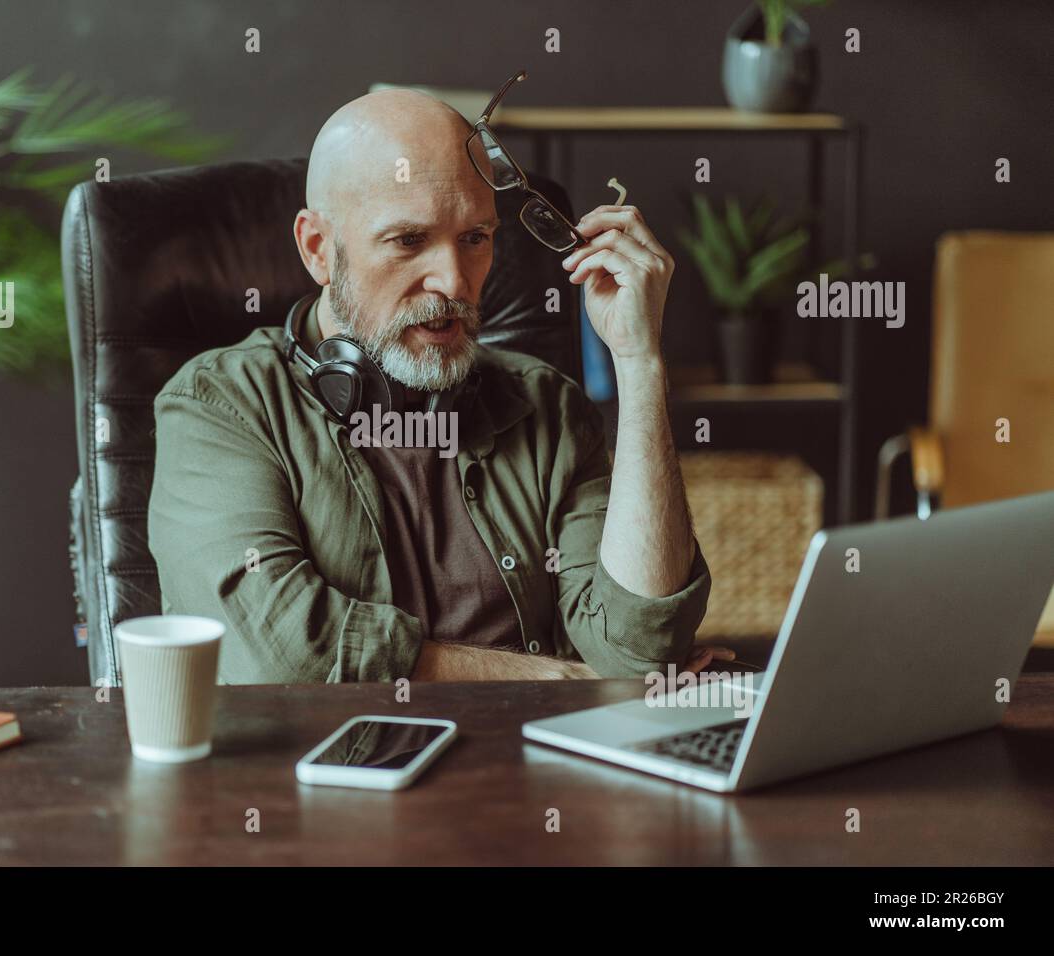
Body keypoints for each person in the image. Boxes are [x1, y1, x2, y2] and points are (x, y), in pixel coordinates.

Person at [148, 88, 730, 683]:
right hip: (331, 770)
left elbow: (638, 648)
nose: (454, 280)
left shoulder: (546, 405)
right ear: (319, 250)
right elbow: (284, 660)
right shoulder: (220, 406)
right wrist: (559, 679)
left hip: (539, 767)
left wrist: (639, 363)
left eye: (476, 237)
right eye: (408, 240)